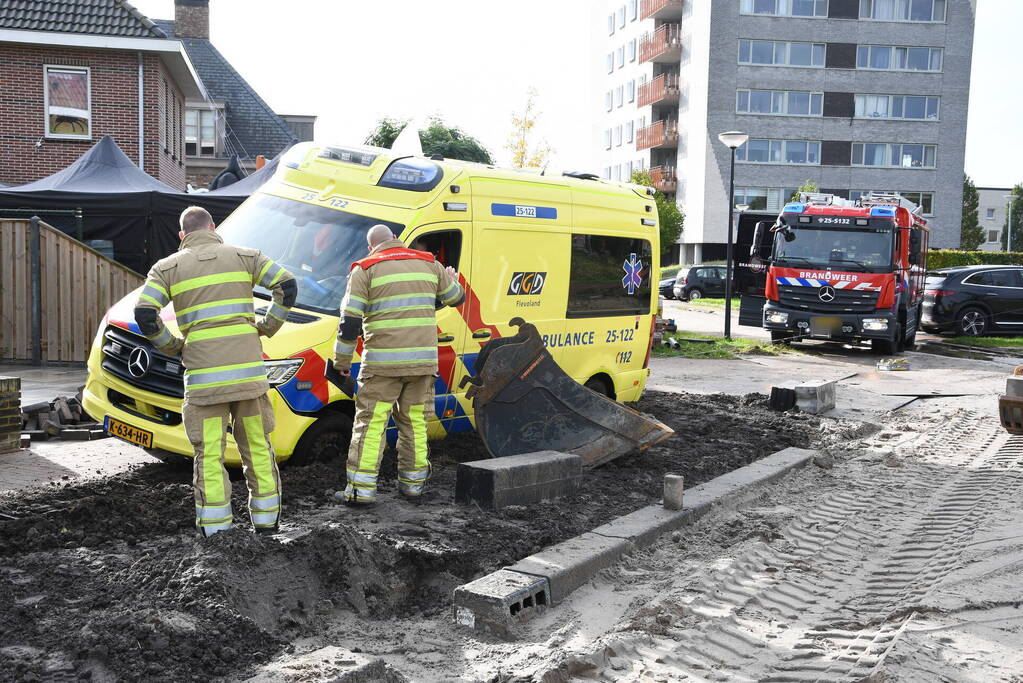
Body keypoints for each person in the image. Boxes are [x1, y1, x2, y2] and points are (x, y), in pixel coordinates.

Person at [134, 206, 297, 536]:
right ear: (212, 227)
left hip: (205, 382)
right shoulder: (245, 256)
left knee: (209, 455)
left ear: (182, 236)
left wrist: (173, 345)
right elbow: (288, 286)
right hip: (248, 379)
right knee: (257, 448)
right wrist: (268, 326)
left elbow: (145, 314)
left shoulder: (167, 268)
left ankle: (216, 531)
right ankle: (266, 523)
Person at [333, 225, 464, 504]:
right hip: (422, 365)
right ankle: (413, 486)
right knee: (415, 423)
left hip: (382, 367)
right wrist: (452, 279)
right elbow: (456, 298)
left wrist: (341, 362)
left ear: (372, 247)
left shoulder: (365, 269)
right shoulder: (429, 263)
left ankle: (361, 491)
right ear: (395, 239)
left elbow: (350, 322)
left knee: (371, 424)